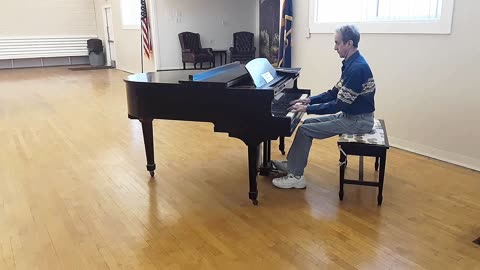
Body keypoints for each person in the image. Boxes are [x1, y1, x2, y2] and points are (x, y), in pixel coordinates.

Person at [272, 24, 376, 189]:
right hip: (351, 115)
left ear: (349, 43)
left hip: (359, 121)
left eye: (337, 43)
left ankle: (296, 177)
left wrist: (307, 109)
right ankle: (293, 165)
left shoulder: (357, 69)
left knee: (305, 130)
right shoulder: (351, 63)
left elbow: (338, 105)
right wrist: (309, 101)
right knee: (306, 125)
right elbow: (333, 93)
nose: (335, 47)